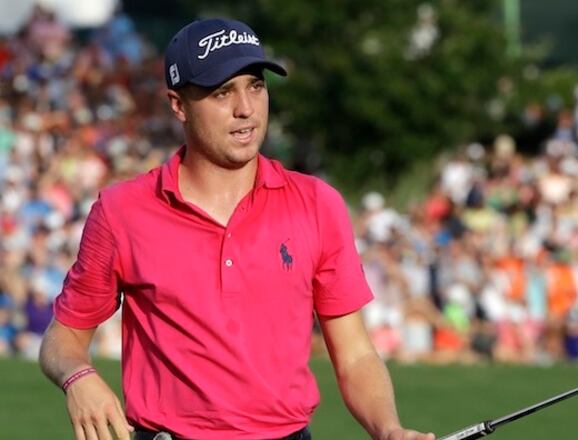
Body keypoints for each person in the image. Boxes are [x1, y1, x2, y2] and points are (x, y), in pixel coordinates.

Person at [39, 17, 435, 440]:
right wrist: (78, 378)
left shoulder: (318, 204)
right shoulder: (122, 211)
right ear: (178, 105)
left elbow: (355, 355)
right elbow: (61, 338)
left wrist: (389, 429)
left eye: (256, 86)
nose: (245, 108)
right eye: (222, 92)